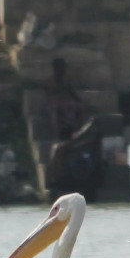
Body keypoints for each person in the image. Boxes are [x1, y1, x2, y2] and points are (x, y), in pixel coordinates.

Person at [44, 57, 104, 196]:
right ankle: (59, 131)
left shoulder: (66, 81)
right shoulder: (50, 81)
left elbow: (73, 95)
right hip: (55, 103)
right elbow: (49, 95)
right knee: (57, 110)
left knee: (75, 107)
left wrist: (82, 103)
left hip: (67, 103)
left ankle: (76, 128)